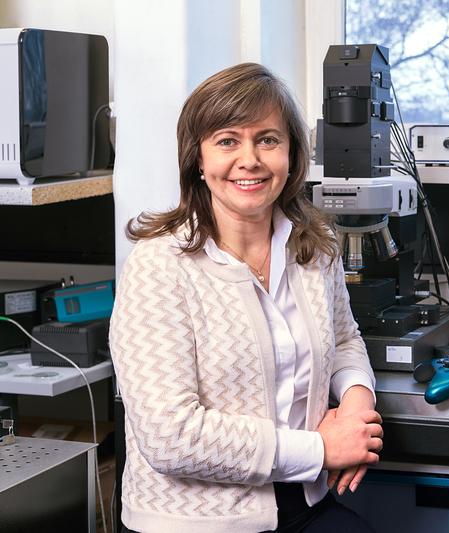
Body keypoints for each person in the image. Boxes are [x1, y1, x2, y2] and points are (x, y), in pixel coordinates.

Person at [110, 62, 383, 533]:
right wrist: (322, 449)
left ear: (292, 155)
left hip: (304, 499)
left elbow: (343, 339)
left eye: (268, 140)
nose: (249, 159)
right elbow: (170, 435)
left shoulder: (316, 247)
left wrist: (357, 403)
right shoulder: (160, 265)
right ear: (198, 158)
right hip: (195, 520)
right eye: (227, 140)